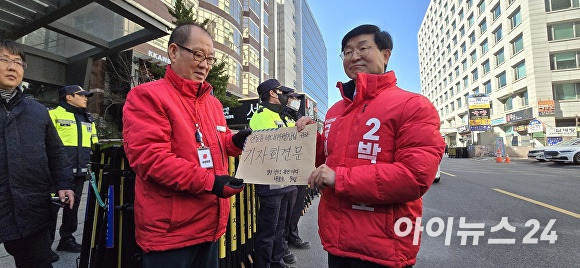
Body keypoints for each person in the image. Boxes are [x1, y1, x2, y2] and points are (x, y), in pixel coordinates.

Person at [296, 24, 445, 268]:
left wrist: (339, 179)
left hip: (384, 248)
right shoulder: (335, 111)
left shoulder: (413, 105)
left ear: (385, 55)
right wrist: (311, 139)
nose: (354, 57)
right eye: (347, 52)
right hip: (336, 240)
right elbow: (325, 163)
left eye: (363, 48)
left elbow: (414, 176)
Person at [122, 22, 251, 268]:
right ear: (173, 52)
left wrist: (233, 142)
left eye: (210, 59)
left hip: (210, 224)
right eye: (198, 55)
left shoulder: (211, 103)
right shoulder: (147, 96)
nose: (205, 65)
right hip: (170, 232)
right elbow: (151, 160)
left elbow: (213, 142)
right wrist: (211, 183)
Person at [0, 38, 76, 267]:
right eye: (4, 60)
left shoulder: (37, 111)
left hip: (30, 206)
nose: (12, 67)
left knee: (37, 261)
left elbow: (55, 151)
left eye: (18, 62)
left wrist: (64, 183)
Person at [249, 79, 299, 268]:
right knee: (268, 230)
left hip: (287, 180)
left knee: (280, 228)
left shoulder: (285, 117)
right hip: (270, 182)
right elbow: (269, 146)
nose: (286, 97)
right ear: (272, 93)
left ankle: (277, 262)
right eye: (282, 92)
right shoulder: (262, 115)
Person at [49, 85, 97, 254]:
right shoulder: (52, 115)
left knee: (73, 207)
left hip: (79, 172)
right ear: (69, 97)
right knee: (51, 208)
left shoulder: (87, 118)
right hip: (55, 173)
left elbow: (94, 144)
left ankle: (67, 239)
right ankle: (45, 246)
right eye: (81, 95)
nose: (86, 98)